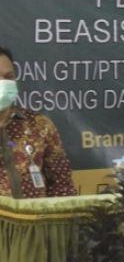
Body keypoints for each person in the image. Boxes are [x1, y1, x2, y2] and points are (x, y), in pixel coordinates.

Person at [0, 46, 77, 198]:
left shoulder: (39, 125)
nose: (3, 83)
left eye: (9, 77)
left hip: (37, 213)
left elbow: (62, 184)